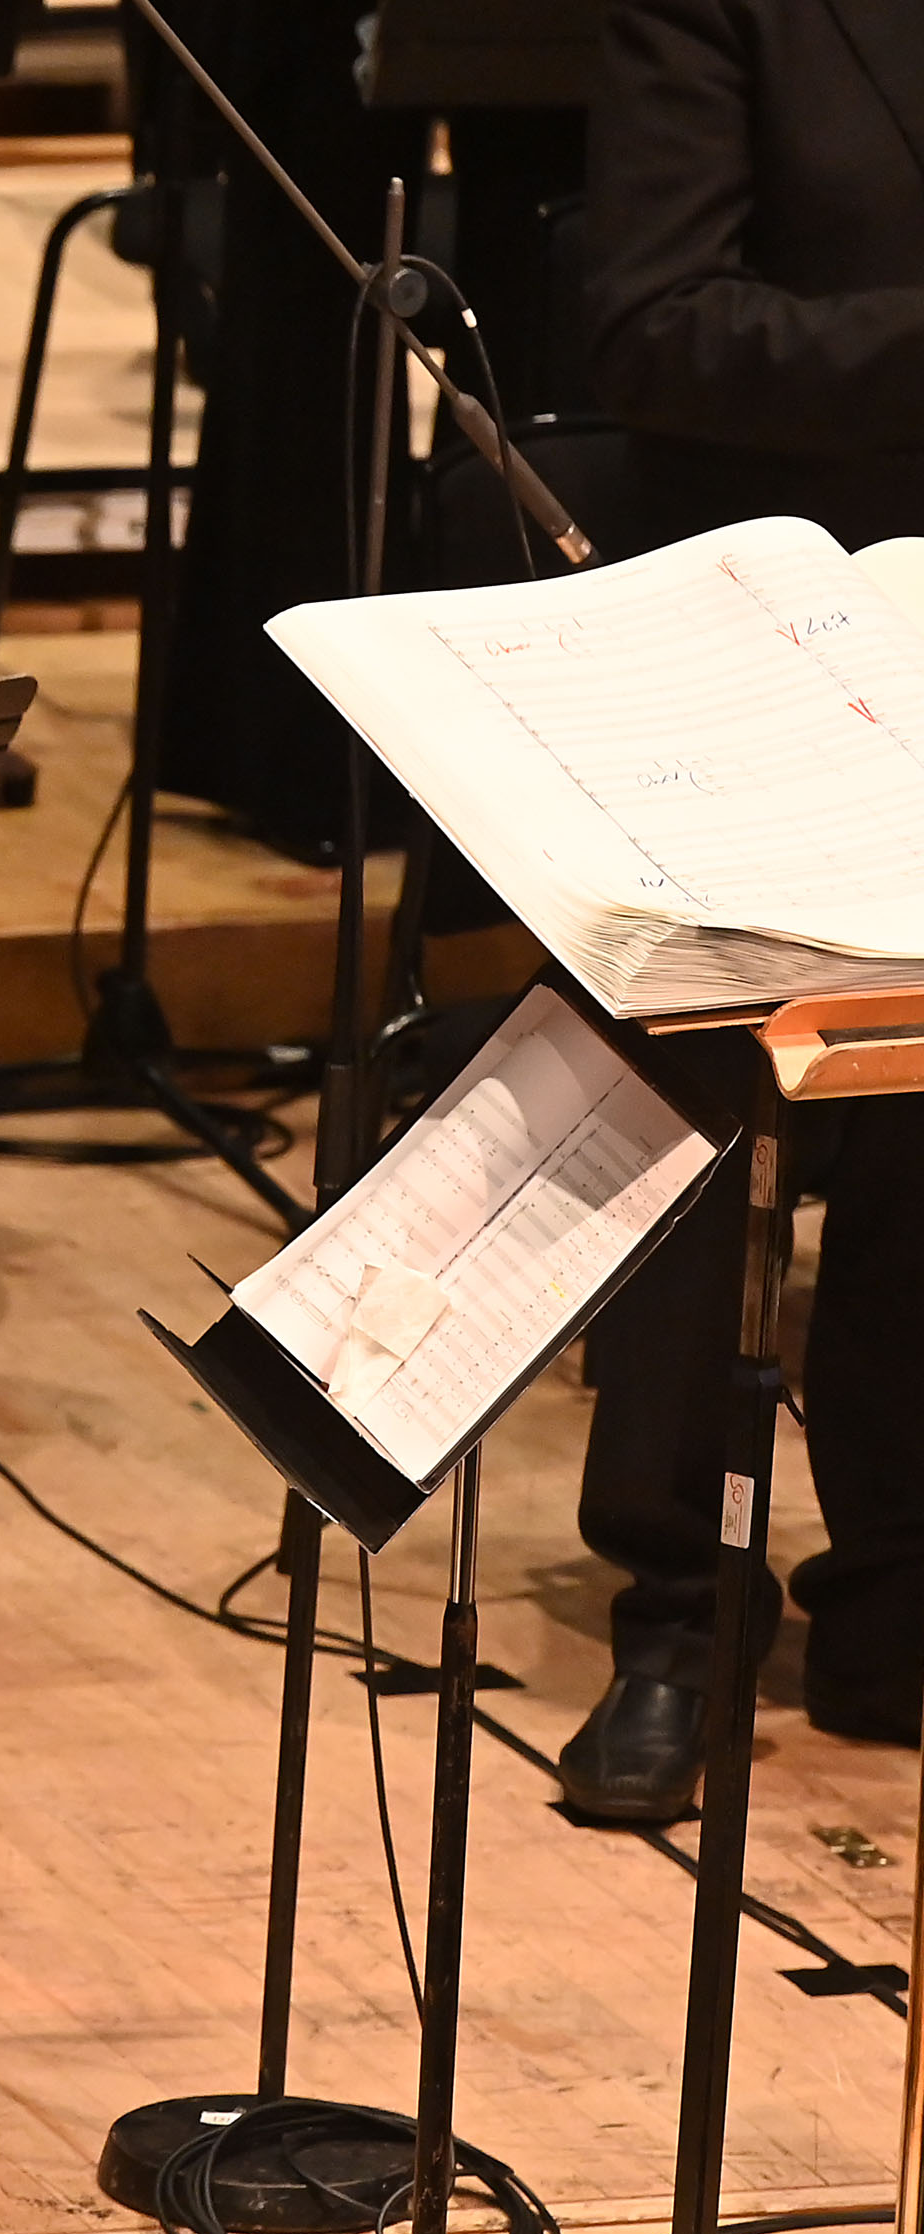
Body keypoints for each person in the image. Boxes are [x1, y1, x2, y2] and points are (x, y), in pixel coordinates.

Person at [545, 0, 924, 1814]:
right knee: (711, 1115)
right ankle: (681, 1611)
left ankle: (900, 1597)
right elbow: (653, 329)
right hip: (779, 628)